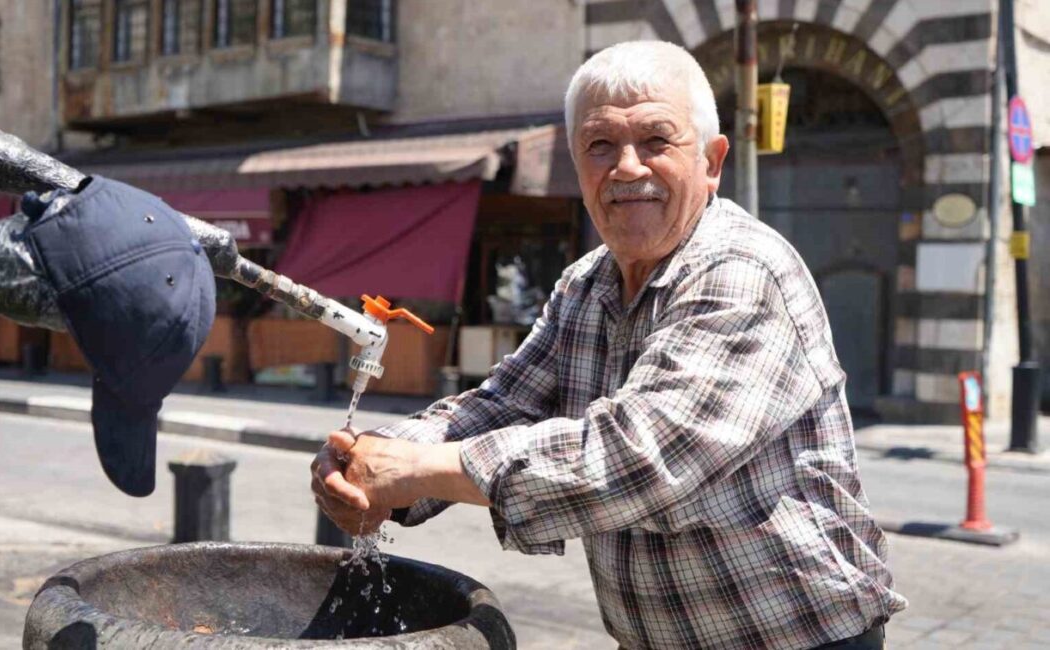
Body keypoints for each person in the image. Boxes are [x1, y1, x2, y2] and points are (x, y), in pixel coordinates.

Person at [311, 41, 906, 649]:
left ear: (712, 161)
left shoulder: (745, 269)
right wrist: (374, 459)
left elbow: (637, 459)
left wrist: (418, 470)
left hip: (796, 638)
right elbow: (505, 403)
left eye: (656, 141)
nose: (627, 167)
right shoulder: (586, 282)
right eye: (601, 146)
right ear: (577, 164)